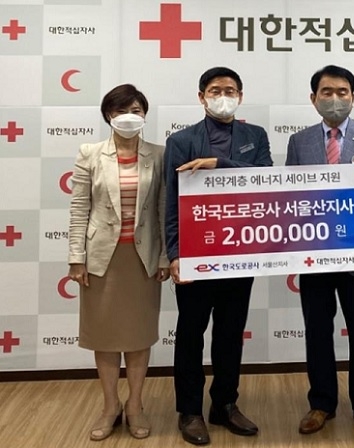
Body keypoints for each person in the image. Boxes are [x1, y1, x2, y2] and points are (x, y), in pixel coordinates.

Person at [164, 67, 273, 446]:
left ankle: (225, 404)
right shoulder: (181, 141)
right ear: (201, 97)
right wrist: (174, 253)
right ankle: (190, 410)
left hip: (240, 252)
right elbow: (171, 201)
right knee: (190, 334)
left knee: (230, 334)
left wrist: (219, 164)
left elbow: (265, 179)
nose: (222, 96)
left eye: (229, 90)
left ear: (240, 96)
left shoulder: (255, 136)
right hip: (196, 254)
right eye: (215, 90)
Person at [286, 65, 354, 437]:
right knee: (317, 331)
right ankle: (321, 404)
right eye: (327, 92)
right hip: (315, 256)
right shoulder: (299, 142)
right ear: (313, 98)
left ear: (353, 96)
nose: (335, 99)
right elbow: (291, 198)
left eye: (342, 92)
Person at [68, 84, 170, 441]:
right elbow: (80, 208)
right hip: (102, 260)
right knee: (106, 337)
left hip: (142, 259)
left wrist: (165, 255)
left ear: (145, 115)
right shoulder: (90, 153)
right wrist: (76, 258)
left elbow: (163, 210)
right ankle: (110, 406)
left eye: (136, 110)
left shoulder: (159, 154)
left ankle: (135, 405)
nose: (129, 116)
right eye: (121, 110)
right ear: (108, 115)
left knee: (139, 337)